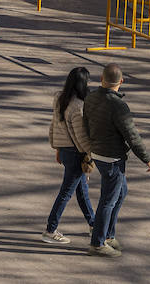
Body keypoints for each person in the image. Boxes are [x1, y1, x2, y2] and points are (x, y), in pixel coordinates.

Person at [83, 63, 150, 258]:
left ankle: (108, 234)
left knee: (121, 192)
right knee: (108, 199)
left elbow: (85, 125)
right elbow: (132, 135)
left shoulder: (90, 98)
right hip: (112, 157)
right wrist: (146, 158)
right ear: (121, 81)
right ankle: (98, 242)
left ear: (101, 79)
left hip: (98, 153)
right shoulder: (119, 106)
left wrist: (90, 149)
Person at [42, 67, 95, 245]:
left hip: (64, 151)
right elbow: (81, 136)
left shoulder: (59, 98)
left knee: (82, 191)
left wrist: (56, 147)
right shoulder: (78, 107)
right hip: (75, 153)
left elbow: (54, 126)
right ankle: (50, 229)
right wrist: (90, 154)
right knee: (66, 193)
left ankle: (94, 224)